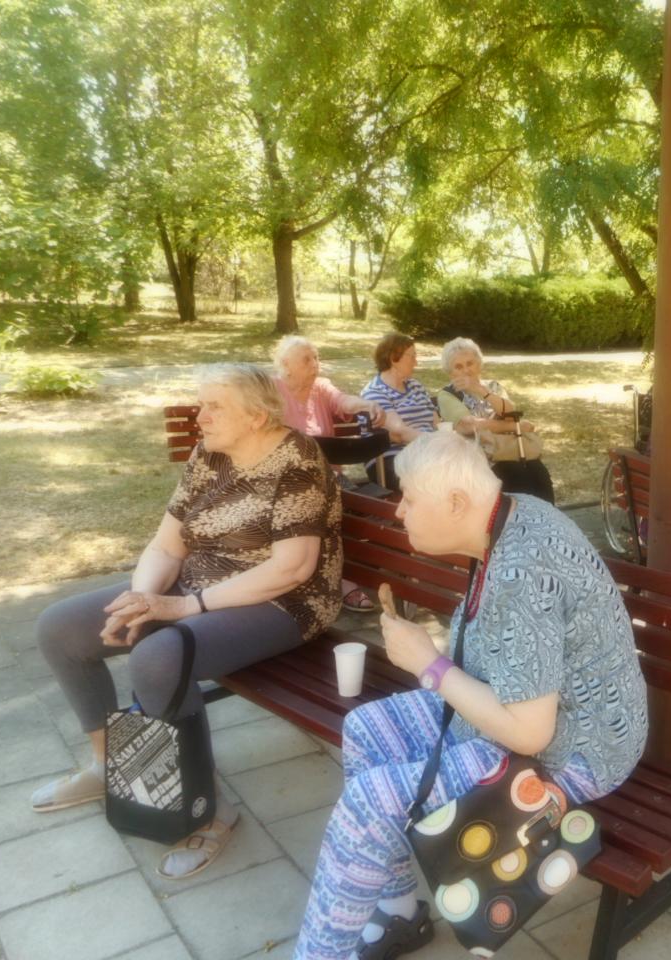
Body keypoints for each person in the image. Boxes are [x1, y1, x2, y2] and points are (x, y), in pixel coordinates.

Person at [294, 432, 648, 960]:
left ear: (457, 502)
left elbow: (530, 735)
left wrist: (430, 665)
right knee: (364, 728)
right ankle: (400, 910)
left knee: (369, 805)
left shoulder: (523, 573)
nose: (399, 511)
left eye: (409, 498)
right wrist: (434, 665)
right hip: (524, 708)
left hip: (573, 751)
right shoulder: (514, 512)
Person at [31, 364, 342, 878]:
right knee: (59, 629)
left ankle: (209, 810)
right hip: (198, 585)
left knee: (160, 657)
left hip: (284, 603)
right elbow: (165, 546)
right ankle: (108, 765)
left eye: (214, 406)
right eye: (201, 404)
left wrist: (182, 607)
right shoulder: (209, 454)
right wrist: (142, 598)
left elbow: (293, 568)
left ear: (257, 416)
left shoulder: (298, 460)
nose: (201, 416)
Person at [274, 335, 386, 612]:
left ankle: (345, 574)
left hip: (331, 478)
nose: (315, 364)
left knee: (368, 507)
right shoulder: (273, 391)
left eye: (316, 357)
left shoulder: (322, 388)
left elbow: (343, 401)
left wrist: (365, 405)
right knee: (320, 508)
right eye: (307, 359)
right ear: (286, 365)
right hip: (286, 482)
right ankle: (340, 580)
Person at [436, 337, 556, 503]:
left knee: (538, 473)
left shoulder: (492, 387)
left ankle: (547, 517)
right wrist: (514, 427)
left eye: (470, 363)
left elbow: (511, 412)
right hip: (478, 458)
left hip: (508, 450)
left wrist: (481, 391)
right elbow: (469, 425)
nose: (466, 370)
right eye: (458, 366)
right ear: (450, 372)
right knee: (516, 476)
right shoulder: (447, 395)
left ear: (479, 364)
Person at [360, 332, 438, 489]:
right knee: (445, 478)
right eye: (412, 356)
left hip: (428, 454)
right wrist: (439, 443)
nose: (416, 362)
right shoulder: (375, 392)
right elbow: (399, 433)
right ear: (393, 358)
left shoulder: (415, 386)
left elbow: (436, 422)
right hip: (391, 460)